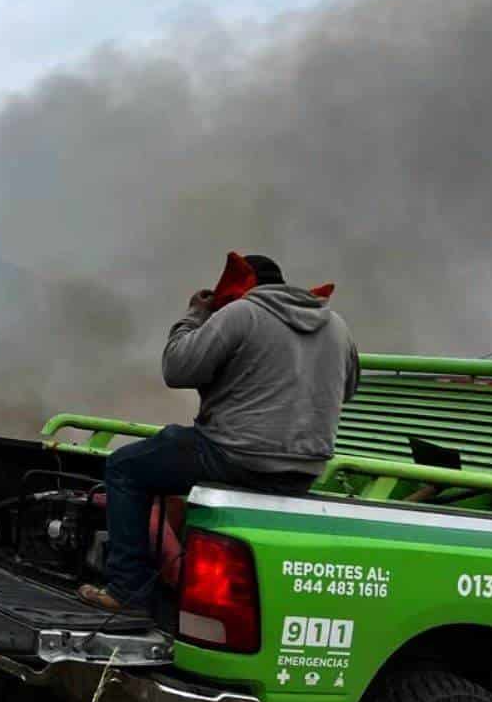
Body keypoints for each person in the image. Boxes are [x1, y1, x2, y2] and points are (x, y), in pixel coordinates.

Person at [80, 254, 358, 623]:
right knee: (170, 445)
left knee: (124, 468)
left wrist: (195, 314)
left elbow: (177, 368)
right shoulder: (336, 326)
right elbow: (349, 388)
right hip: (304, 471)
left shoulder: (244, 313)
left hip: (234, 457)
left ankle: (125, 591)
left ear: (245, 287)